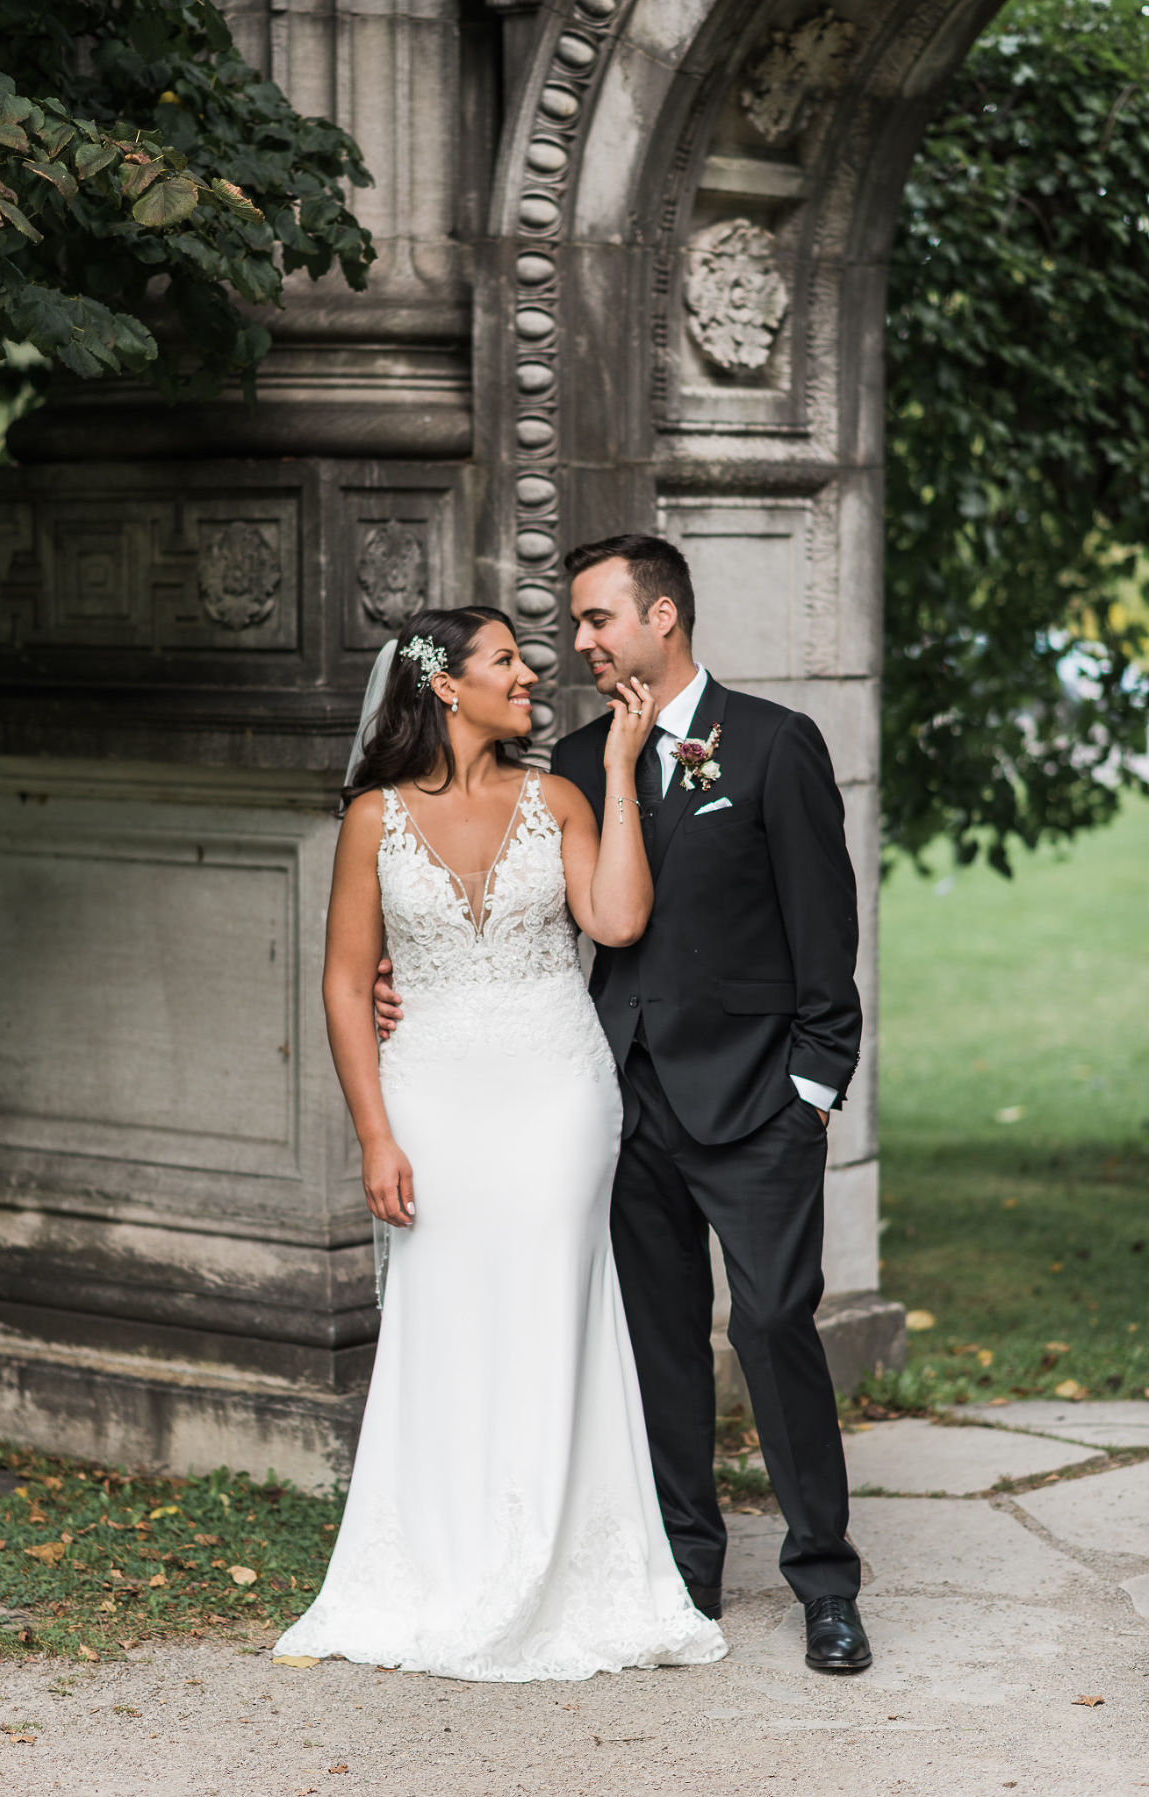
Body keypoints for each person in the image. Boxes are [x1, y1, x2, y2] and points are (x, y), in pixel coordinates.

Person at [378, 537, 872, 1675]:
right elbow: (550, 911)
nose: (583, 646)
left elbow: (825, 935)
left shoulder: (774, 745)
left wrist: (809, 1088)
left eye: (599, 622)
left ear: (663, 617)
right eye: (579, 628)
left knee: (771, 1326)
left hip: (755, 1106)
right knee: (655, 1346)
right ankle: (684, 1569)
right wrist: (405, 973)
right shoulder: (582, 754)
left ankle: (826, 1583)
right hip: (616, 1099)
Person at [273, 604, 726, 1682]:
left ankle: (566, 1564)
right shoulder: (373, 821)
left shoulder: (558, 795)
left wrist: (620, 770)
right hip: (430, 1094)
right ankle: (443, 1558)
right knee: (444, 1314)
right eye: (506, 661)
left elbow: (614, 923)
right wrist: (374, 1133)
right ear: (443, 685)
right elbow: (344, 983)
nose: (530, 675)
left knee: (552, 1305)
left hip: (557, 1091)